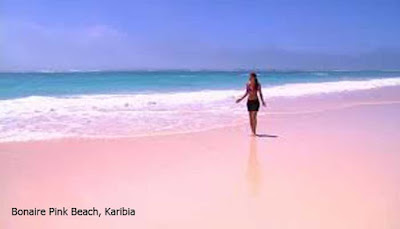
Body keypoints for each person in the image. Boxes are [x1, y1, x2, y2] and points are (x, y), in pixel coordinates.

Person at [236, 72, 266, 136]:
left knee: (254, 117)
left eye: (251, 77)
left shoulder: (258, 85)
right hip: (249, 102)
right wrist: (240, 99)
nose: (250, 78)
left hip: (255, 101)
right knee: (250, 117)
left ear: (254, 77)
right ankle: (252, 131)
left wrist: (263, 101)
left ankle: (254, 131)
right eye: (250, 77)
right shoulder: (248, 84)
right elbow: (246, 93)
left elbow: (260, 93)